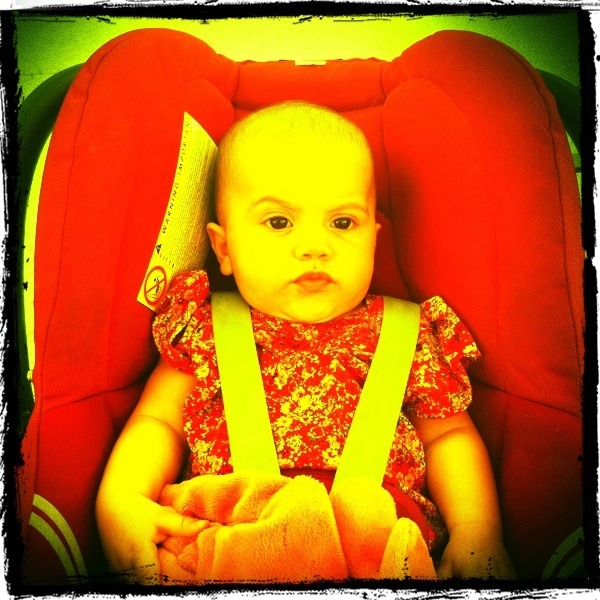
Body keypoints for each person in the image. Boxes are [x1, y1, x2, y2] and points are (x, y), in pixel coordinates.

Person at [96, 101, 515, 584]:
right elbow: (159, 422)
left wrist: (476, 530)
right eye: (279, 222)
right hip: (230, 537)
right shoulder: (201, 330)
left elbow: (448, 438)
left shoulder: (412, 336)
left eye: (343, 223)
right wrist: (122, 499)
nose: (316, 246)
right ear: (224, 248)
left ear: (374, 238)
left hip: (378, 539)